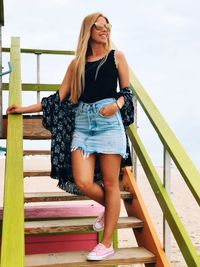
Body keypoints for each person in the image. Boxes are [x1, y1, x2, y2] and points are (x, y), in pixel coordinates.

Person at [7, 12, 131, 261]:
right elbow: (58, 98)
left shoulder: (117, 57)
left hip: (109, 123)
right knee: (82, 180)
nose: (105, 30)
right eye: (100, 26)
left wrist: (116, 105)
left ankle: (106, 244)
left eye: (108, 26)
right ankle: (111, 209)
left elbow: (127, 92)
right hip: (83, 124)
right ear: (89, 30)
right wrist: (22, 108)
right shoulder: (76, 64)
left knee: (111, 184)